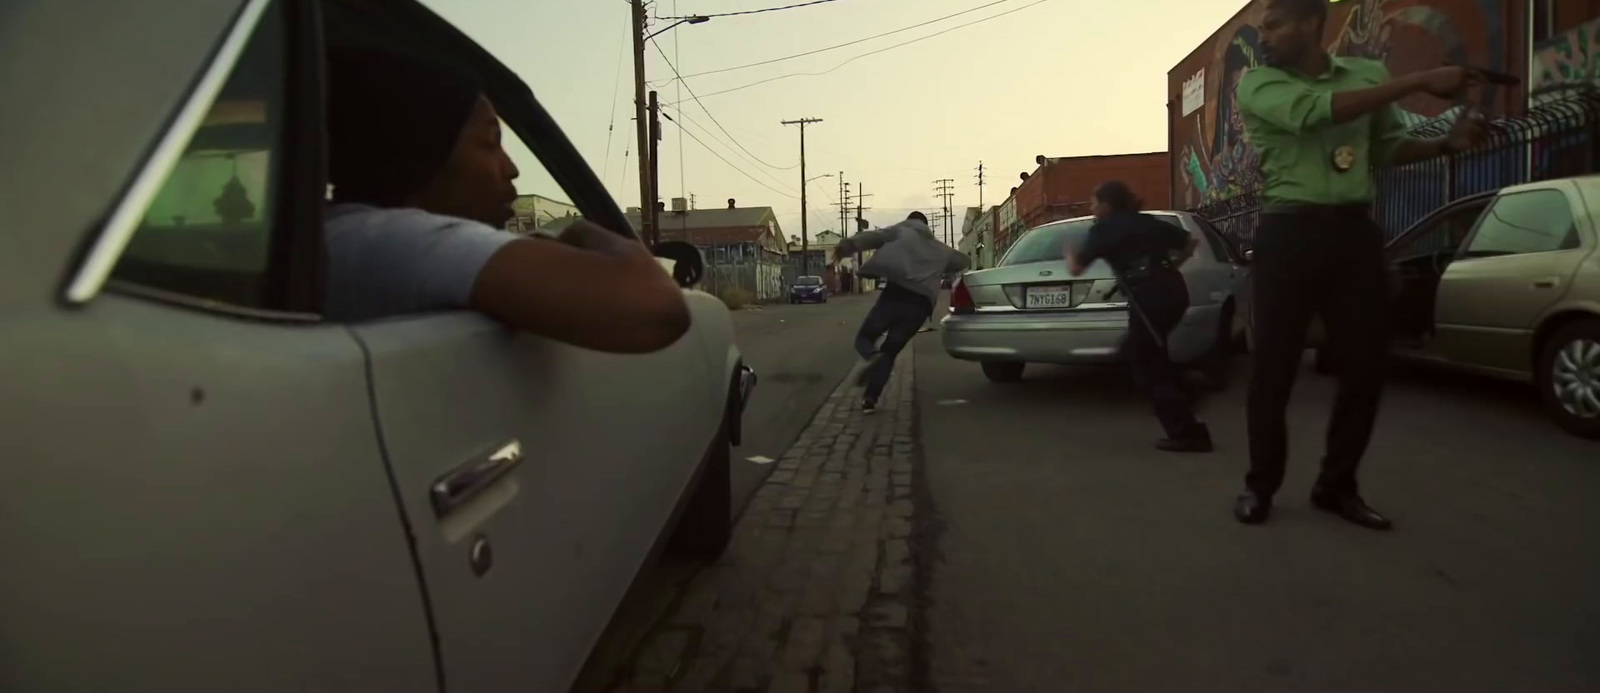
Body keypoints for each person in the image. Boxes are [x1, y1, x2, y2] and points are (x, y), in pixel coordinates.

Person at [1232, 0, 1490, 529]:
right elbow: (1315, 114)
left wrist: (1446, 142)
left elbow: (1384, 147)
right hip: (1288, 232)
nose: (1266, 37)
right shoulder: (1257, 85)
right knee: (1273, 371)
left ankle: (1337, 486)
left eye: (1275, 25)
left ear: (1311, 24)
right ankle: (1260, 486)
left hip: (1353, 232)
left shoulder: (1366, 75)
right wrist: (1418, 81)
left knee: (1366, 367)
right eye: (1263, 28)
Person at [322, 47, 689, 354]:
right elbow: (656, 308)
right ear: (418, 153)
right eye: (490, 142)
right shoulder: (391, 239)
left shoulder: (345, 239)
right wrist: (579, 231)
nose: (511, 168)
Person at [1064, 181, 1213, 453]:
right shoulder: (1147, 222)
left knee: (1145, 364)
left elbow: (1075, 269)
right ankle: (1183, 391)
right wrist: (1168, 267)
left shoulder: (1103, 230)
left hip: (1148, 299)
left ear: (1107, 205)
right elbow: (1190, 242)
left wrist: (1070, 254)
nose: (1092, 208)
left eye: (1094, 203)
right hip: (1173, 292)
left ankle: (1188, 430)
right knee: (1149, 353)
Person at [836, 212, 970, 412]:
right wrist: (936, 263)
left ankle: (872, 358)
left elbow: (873, 237)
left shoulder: (900, 231)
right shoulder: (937, 248)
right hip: (919, 307)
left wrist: (846, 246)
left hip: (894, 296)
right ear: (926, 226)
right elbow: (961, 262)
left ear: (910, 221)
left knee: (864, 338)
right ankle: (870, 399)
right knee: (889, 352)